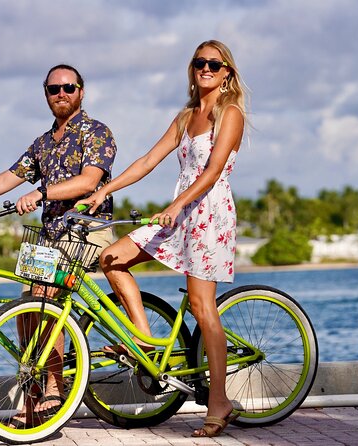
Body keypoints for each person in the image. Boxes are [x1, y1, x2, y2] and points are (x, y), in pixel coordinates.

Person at [75, 40, 247, 437]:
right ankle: (147, 343)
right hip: (178, 209)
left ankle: (219, 400)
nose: (205, 68)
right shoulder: (187, 116)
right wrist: (104, 189)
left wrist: (177, 205)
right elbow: (147, 161)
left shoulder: (230, 113)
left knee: (203, 308)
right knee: (112, 259)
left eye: (214, 64)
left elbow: (213, 171)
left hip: (208, 212)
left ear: (227, 73)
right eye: (199, 62)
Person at [0, 64, 117, 425]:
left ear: (81, 91)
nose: (61, 94)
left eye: (68, 88)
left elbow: (88, 181)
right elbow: (5, 179)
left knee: (44, 295)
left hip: (86, 229)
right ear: (45, 94)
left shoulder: (96, 132)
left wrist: (42, 192)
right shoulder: (42, 144)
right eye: (53, 89)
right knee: (26, 304)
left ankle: (54, 386)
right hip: (50, 236)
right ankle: (34, 395)